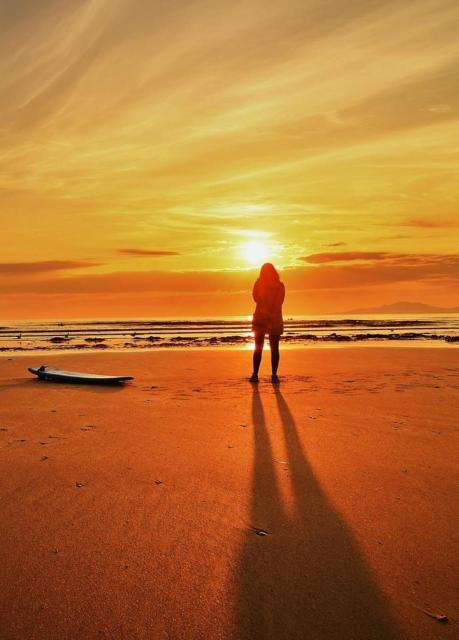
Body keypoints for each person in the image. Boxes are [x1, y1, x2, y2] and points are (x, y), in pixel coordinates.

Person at [250, 263, 285, 383]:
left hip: (261, 317)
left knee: (258, 347)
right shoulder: (280, 286)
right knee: (274, 348)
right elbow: (279, 302)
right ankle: (274, 375)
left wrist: (263, 290)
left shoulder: (259, 284)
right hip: (274, 318)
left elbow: (256, 298)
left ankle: (255, 374)